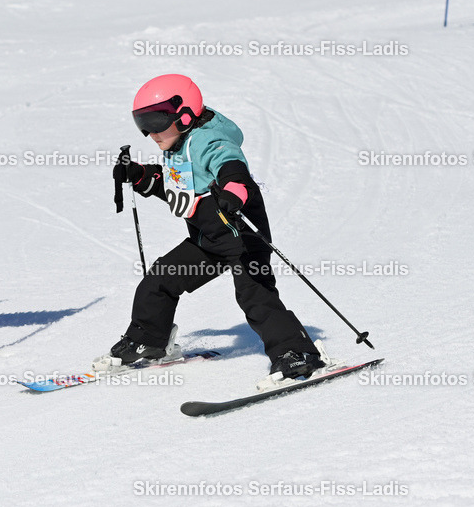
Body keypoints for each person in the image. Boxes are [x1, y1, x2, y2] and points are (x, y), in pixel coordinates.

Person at [100, 74, 327, 382]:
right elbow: (178, 187)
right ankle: (148, 342)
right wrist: (140, 175)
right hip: (208, 241)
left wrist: (234, 190)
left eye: (155, 121)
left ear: (184, 114)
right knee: (160, 280)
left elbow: (231, 166)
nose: (150, 133)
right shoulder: (178, 145)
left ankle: (296, 353)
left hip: (241, 236)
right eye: (143, 123)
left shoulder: (209, 141)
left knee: (254, 295)